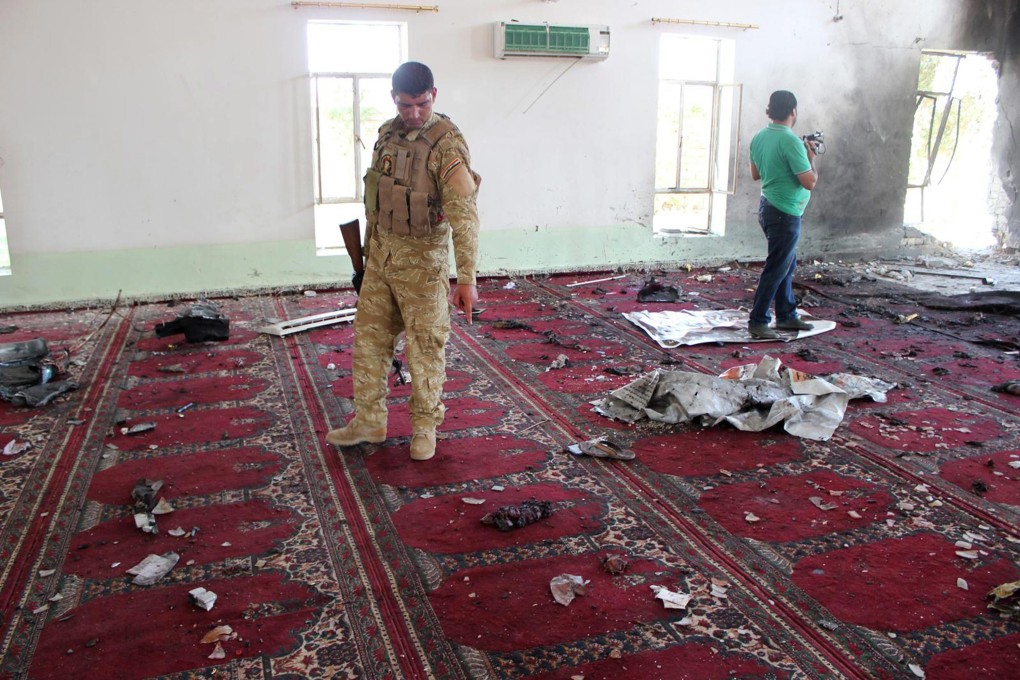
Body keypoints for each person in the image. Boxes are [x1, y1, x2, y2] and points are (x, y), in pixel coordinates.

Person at [326, 61, 480, 461]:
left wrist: (467, 279)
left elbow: (464, 217)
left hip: (423, 265)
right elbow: (376, 203)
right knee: (369, 342)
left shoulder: (446, 145)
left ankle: (425, 428)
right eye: (405, 104)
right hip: (381, 258)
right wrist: (366, 260)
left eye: (422, 104)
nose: (413, 113)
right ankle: (370, 421)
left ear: (435, 95)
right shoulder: (386, 135)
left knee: (425, 348)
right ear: (394, 98)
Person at [747, 90, 819, 340]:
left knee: (785, 264)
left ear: (770, 110)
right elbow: (809, 182)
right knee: (777, 267)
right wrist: (810, 159)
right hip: (785, 213)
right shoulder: (791, 141)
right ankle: (758, 321)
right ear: (793, 112)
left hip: (768, 208)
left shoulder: (758, 137)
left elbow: (755, 175)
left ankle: (787, 315)